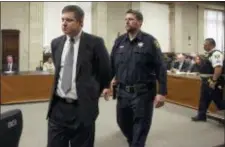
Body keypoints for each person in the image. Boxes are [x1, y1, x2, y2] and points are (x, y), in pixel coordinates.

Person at [46, 5, 111, 147]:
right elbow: (59, 71)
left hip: (82, 109)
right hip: (58, 108)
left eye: (69, 20)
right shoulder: (56, 43)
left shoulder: (95, 43)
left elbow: (105, 71)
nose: (64, 23)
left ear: (81, 22)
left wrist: (94, 94)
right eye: (62, 19)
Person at [105, 9, 167, 147]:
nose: (127, 22)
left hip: (143, 93)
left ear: (139, 22)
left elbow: (160, 68)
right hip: (122, 92)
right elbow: (112, 65)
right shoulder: (119, 41)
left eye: (131, 19)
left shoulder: (150, 41)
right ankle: (134, 142)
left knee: (141, 125)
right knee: (122, 121)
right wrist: (105, 85)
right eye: (126, 19)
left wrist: (162, 92)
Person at [192, 38, 225, 121]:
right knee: (204, 98)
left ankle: (201, 115)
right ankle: (201, 115)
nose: (203, 46)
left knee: (218, 101)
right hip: (206, 81)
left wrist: (214, 81)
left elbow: (218, 68)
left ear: (211, 45)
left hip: (212, 80)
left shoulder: (216, 54)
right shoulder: (208, 54)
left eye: (205, 44)